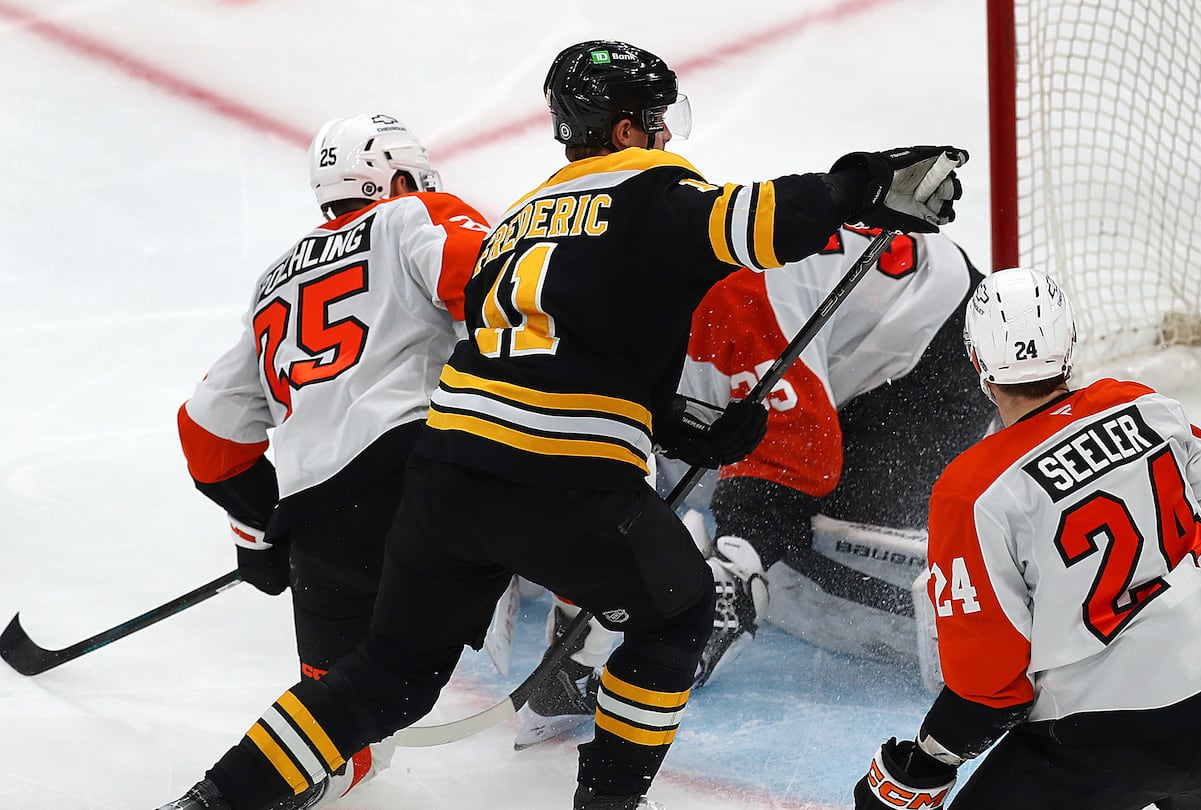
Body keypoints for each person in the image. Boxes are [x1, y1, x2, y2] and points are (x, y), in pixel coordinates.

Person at [159, 38, 964, 810]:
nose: (661, 135)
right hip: (563, 480)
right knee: (676, 614)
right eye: (652, 120)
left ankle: (212, 797)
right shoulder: (648, 190)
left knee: (385, 676)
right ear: (623, 129)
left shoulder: (517, 216)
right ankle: (607, 800)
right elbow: (759, 219)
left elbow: (546, 351)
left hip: (443, 480)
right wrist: (861, 185)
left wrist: (678, 424)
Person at [514, 225, 996, 750]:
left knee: (796, 544)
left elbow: (800, 456)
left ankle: (974, 623)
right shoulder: (612, 310)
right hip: (844, 334)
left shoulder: (728, 307)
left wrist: (739, 559)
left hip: (933, 349)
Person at [851, 267, 1201, 810]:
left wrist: (927, 761)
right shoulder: (1145, 406)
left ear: (977, 363)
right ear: (1070, 344)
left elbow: (989, 688)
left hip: (1099, 748)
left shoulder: (974, 491)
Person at [175, 113, 490, 807]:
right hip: (420, 479)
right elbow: (502, 290)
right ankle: (582, 643)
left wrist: (262, 532)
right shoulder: (417, 215)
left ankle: (239, 794)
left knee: (338, 717)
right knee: (579, 504)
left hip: (322, 523)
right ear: (397, 177)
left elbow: (207, 429)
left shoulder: (271, 285)